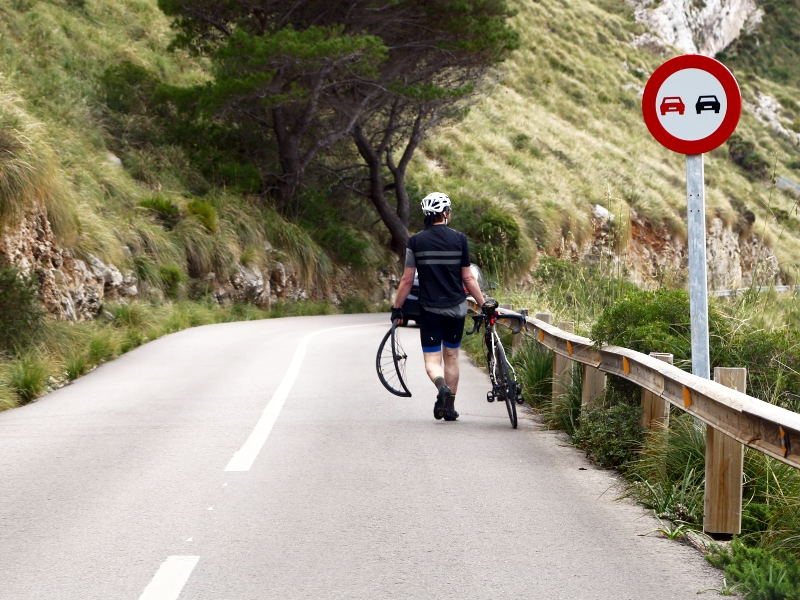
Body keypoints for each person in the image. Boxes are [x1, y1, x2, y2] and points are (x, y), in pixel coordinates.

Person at [391, 192, 486, 421]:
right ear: (445, 213)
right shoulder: (459, 239)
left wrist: (397, 308)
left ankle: (441, 386)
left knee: (433, 362)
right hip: (456, 309)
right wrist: (483, 304)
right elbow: (468, 278)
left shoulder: (415, 241)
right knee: (451, 357)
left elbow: (406, 280)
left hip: (430, 311)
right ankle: (449, 407)